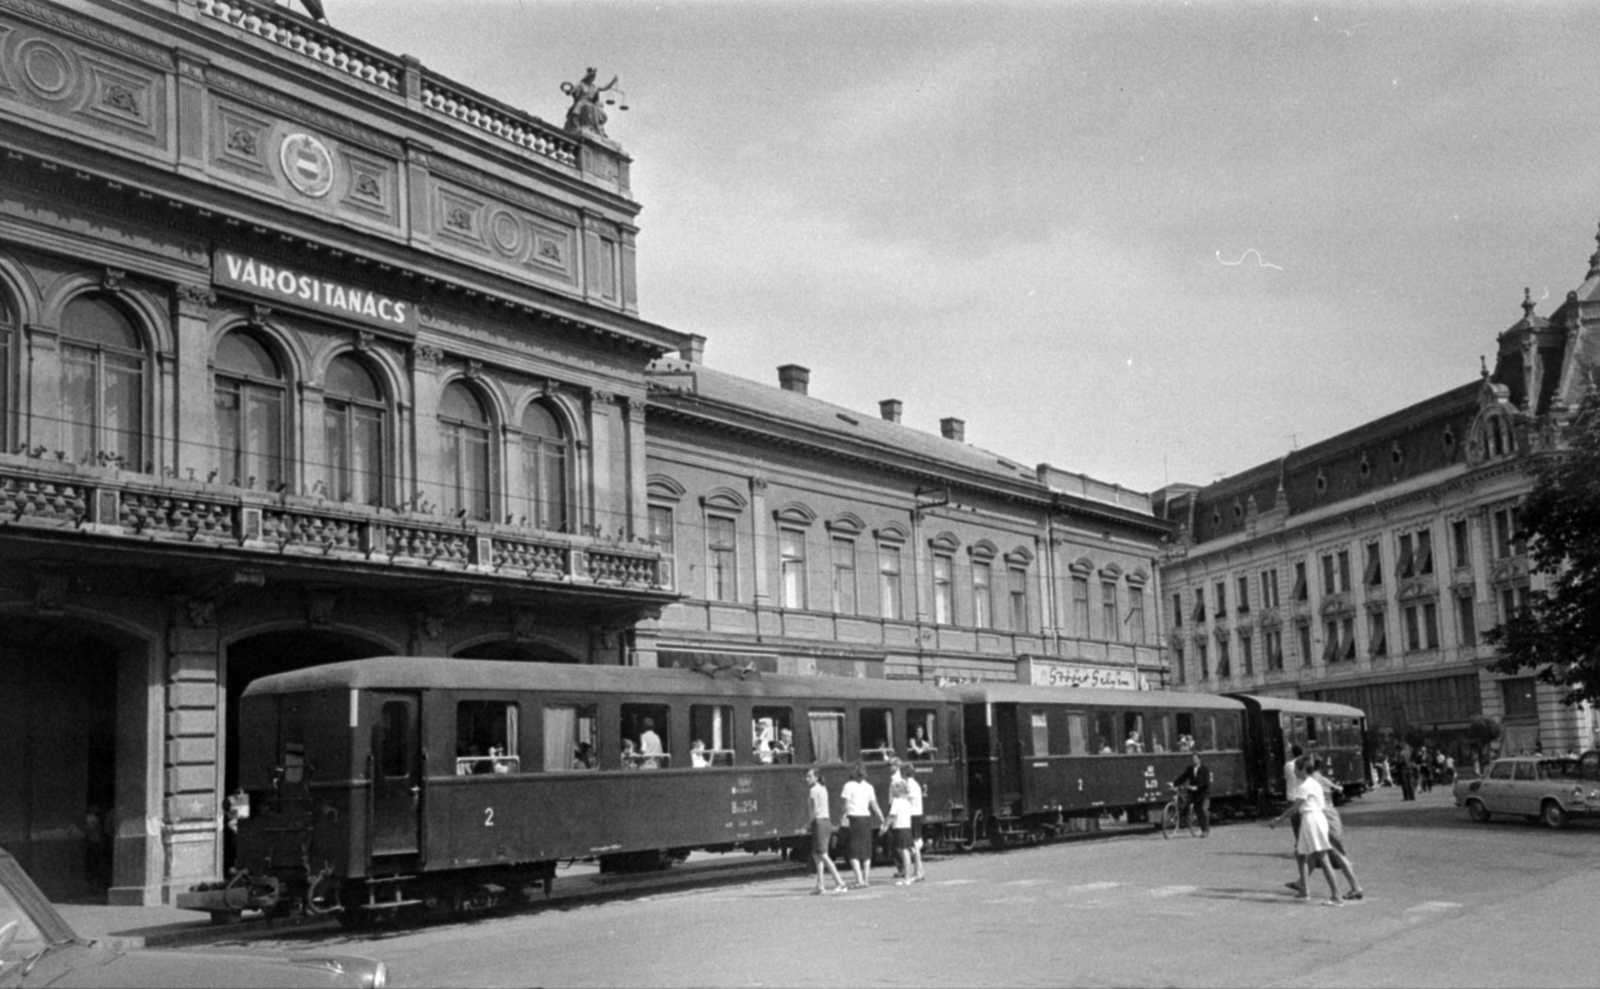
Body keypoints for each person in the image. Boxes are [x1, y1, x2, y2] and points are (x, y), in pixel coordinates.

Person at [1270, 756, 1357, 906]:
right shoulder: (1312, 783)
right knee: (1301, 854)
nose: (1294, 772)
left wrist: (1278, 820)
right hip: (1311, 819)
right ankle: (1304, 889)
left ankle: (1336, 896)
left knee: (1322, 858)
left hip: (1312, 819)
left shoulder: (1306, 786)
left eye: (1296, 769)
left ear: (1302, 769)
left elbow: (1295, 808)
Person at [799, 768, 848, 894]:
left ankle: (840, 882)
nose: (807, 779)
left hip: (819, 823)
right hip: (826, 822)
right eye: (807, 776)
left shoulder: (813, 790)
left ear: (816, 777)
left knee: (823, 855)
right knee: (817, 855)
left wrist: (806, 826)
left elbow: (815, 811)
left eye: (809, 776)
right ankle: (820, 886)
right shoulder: (823, 788)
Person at [838, 762, 884, 889]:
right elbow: (874, 806)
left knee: (853, 852)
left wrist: (840, 818)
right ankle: (866, 880)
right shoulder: (869, 787)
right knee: (866, 851)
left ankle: (859, 880)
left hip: (853, 819)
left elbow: (846, 806)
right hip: (866, 819)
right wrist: (882, 819)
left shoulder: (848, 786)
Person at [561, 67, 619, 135]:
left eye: (594, 77)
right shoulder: (580, 85)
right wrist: (569, 91)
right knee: (585, 107)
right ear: (588, 77)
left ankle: (598, 129)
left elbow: (605, 87)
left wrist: (613, 82)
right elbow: (572, 90)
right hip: (581, 102)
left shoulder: (595, 87)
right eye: (591, 77)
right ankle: (579, 124)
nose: (593, 79)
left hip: (591, 104)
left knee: (603, 115)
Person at [884, 764, 915, 886]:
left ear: (898, 790)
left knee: (904, 853)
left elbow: (892, 816)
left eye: (893, 790)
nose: (892, 792)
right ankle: (908, 876)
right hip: (907, 828)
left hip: (900, 829)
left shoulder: (896, 802)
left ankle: (907, 878)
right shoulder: (907, 802)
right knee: (906, 852)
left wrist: (885, 827)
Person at [1171, 750, 1212, 836]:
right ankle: (1203, 829)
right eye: (1193, 758)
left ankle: (1206, 831)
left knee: (1203, 810)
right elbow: (1183, 777)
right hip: (1195, 794)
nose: (1194, 760)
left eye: (1196, 758)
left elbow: (1207, 783)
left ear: (1199, 759)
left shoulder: (1205, 769)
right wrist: (1174, 783)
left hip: (1204, 794)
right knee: (1198, 812)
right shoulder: (1190, 769)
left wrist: (1196, 787)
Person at [904, 762, 926, 883]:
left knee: (915, 843)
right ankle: (919, 870)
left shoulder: (909, 785)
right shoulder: (915, 784)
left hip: (913, 815)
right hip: (917, 814)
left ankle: (918, 872)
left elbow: (907, 800)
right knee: (915, 842)